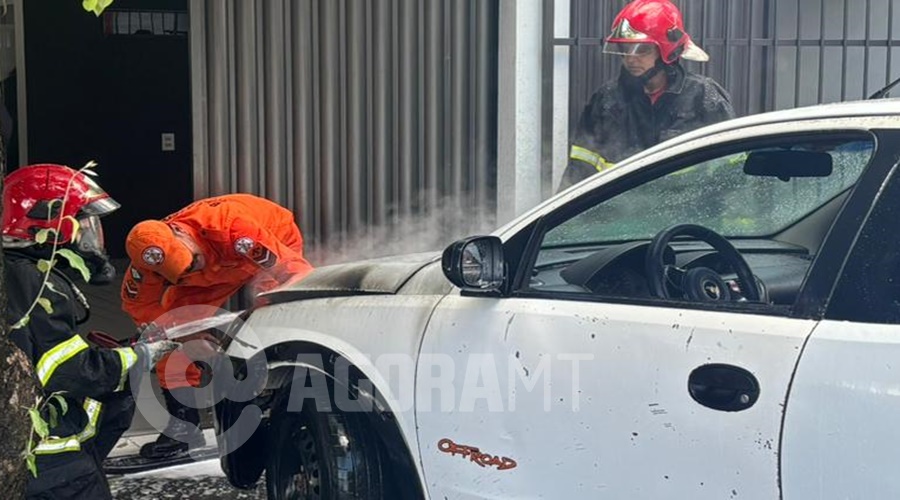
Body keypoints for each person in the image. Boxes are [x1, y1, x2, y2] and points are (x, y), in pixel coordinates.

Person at [3, 164, 178, 499]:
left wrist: (125, 350)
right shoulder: (36, 284)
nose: (93, 236)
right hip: (54, 470)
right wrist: (140, 356)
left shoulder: (15, 274)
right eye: (84, 224)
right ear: (49, 225)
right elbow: (64, 370)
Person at [120, 193, 314, 459]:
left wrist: (275, 305)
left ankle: (272, 400)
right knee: (169, 339)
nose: (189, 271)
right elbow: (139, 307)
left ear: (181, 234)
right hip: (213, 272)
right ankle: (184, 429)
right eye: (182, 272)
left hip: (267, 244)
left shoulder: (235, 229)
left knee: (271, 317)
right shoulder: (146, 265)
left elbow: (294, 272)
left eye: (190, 262)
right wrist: (180, 334)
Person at [558, 0, 736, 191]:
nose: (631, 59)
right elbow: (579, 169)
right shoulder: (606, 100)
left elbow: (729, 173)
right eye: (625, 50)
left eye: (642, 50)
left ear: (667, 51)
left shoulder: (702, 98)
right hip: (620, 214)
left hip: (685, 215)